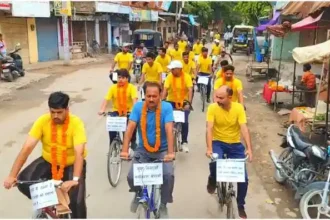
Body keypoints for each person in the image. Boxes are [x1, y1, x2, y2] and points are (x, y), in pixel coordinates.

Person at [3, 92, 87, 218]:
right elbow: (27, 147)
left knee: (76, 202)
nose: (55, 116)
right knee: (24, 182)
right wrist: (11, 176)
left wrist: (74, 180)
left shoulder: (76, 124)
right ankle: (52, 202)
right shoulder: (43, 121)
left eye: (59, 112)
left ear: (67, 110)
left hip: (71, 163)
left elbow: (79, 152)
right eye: (52, 112)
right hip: (49, 160)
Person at [120, 82, 175, 218]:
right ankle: (138, 193)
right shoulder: (138, 107)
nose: (151, 99)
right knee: (131, 177)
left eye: (154, 96)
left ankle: (163, 204)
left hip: (162, 150)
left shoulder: (166, 107)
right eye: (148, 96)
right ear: (144, 95)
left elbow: (169, 129)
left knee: (168, 176)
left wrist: (170, 152)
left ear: (160, 95)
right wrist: (125, 150)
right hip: (142, 150)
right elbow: (130, 128)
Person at [206, 85, 253, 219]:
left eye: (221, 98)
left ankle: (240, 205)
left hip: (235, 144)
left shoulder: (238, 108)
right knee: (215, 162)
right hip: (217, 142)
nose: (218, 100)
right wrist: (209, 148)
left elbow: (244, 128)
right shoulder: (212, 108)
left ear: (230, 98)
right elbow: (209, 128)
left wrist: (249, 148)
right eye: (217, 97)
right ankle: (213, 178)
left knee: (243, 178)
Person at [98, 69, 138, 150]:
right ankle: (113, 146)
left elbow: (135, 101)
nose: (120, 80)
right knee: (111, 128)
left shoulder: (131, 88)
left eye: (123, 78)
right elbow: (106, 99)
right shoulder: (113, 88)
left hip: (128, 111)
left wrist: (135, 111)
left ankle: (132, 141)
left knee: (131, 126)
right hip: (116, 111)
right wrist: (102, 109)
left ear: (127, 78)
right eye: (119, 77)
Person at [163, 60, 193, 152]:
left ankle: (184, 142)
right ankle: (166, 141)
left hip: (183, 101)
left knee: (185, 122)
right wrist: (162, 101)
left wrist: (188, 102)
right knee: (167, 121)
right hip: (171, 101)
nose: (171, 70)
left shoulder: (187, 77)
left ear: (179, 69)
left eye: (173, 69)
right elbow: (165, 89)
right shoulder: (169, 77)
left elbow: (190, 89)